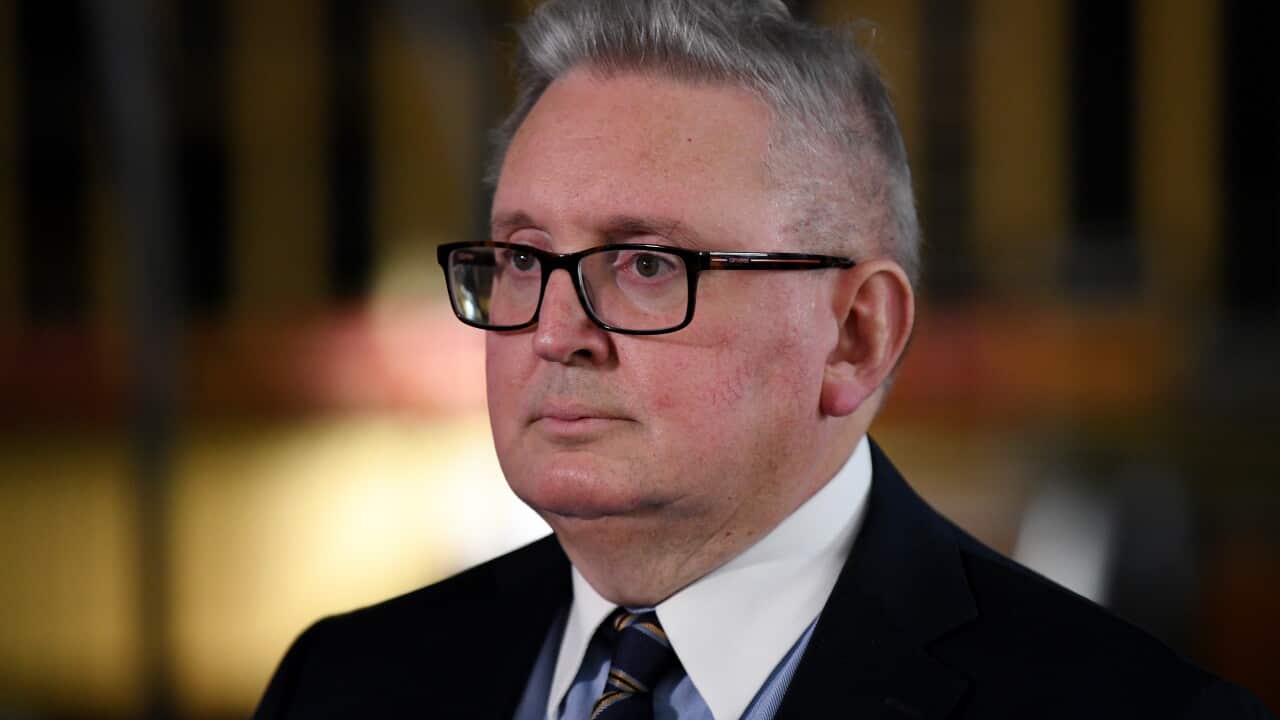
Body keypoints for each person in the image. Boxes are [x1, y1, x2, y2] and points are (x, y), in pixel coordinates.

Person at [254, 1, 1274, 718]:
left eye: (645, 264)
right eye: (521, 258)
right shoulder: (342, 681)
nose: (554, 331)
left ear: (855, 335)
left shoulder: (1129, 710)